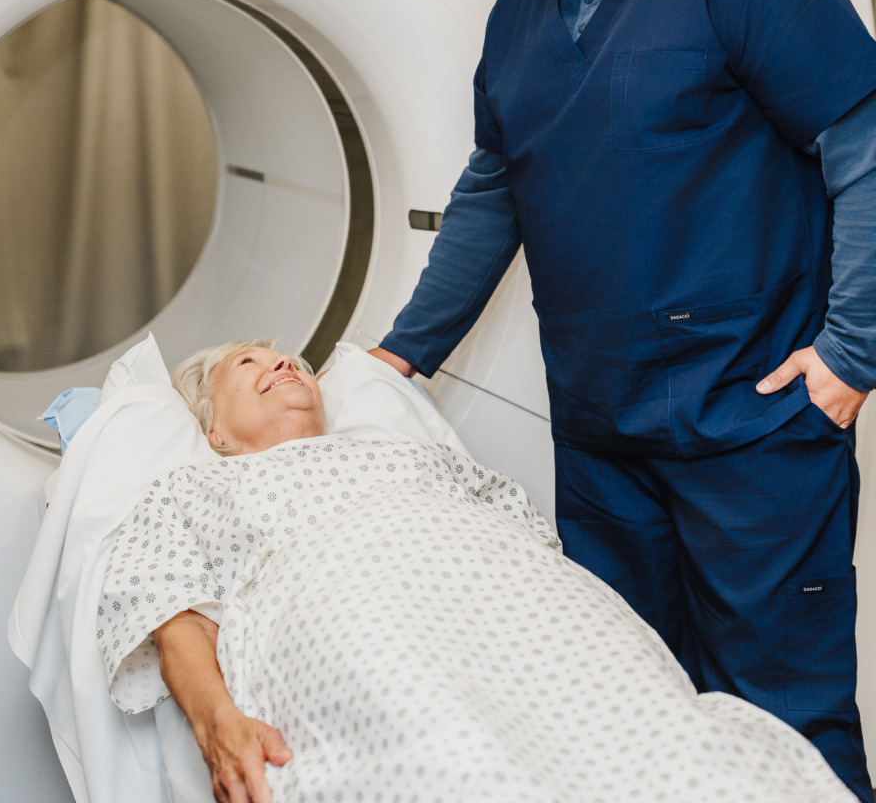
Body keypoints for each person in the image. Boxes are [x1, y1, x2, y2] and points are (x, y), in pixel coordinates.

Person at [369, 0, 876, 803]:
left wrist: (852, 354)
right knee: (626, 711)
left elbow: (863, 147)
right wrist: (401, 353)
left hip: (749, 420)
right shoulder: (524, 8)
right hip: (603, 433)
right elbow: (497, 183)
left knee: (784, 715)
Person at [99, 340, 853, 803]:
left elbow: (528, 541)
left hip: (521, 601)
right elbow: (170, 613)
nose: (279, 361)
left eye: (285, 356)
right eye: (248, 362)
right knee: (453, 756)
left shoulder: (409, 455)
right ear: (214, 431)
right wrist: (217, 723)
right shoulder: (196, 489)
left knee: (663, 742)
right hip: (349, 609)